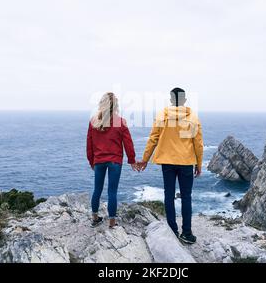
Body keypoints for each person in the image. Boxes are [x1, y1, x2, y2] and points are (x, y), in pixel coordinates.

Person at [138, 88, 204, 244]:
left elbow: (153, 139)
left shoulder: (162, 115)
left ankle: (172, 231)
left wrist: (145, 159)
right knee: (186, 197)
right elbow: (198, 144)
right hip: (186, 162)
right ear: (184, 100)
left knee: (169, 195)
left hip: (167, 162)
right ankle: (186, 233)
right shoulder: (193, 117)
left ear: (171, 99)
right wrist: (199, 164)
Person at [87, 92, 138, 228]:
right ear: (116, 105)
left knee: (97, 190)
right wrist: (132, 160)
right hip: (115, 161)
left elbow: (89, 144)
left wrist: (91, 160)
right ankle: (112, 222)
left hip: (98, 160)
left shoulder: (93, 121)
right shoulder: (120, 122)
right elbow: (128, 143)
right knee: (112, 192)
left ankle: (95, 218)